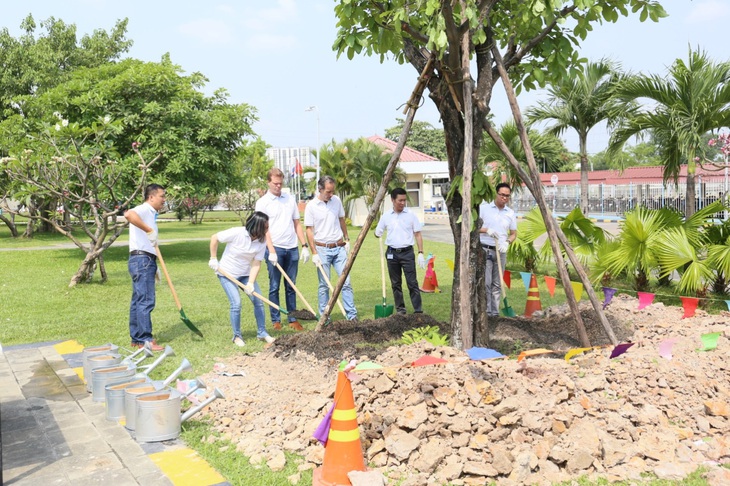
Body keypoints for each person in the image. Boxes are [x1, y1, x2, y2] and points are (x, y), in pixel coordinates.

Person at [208, 211, 275, 347]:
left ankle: (262, 332)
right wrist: (213, 258)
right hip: (227, 274)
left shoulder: (261, 241)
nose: (267, 230)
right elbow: (214, 238)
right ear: (257, 227)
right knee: (236, 304)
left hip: (244, 274)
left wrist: (250, 283)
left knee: (259, 301)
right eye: (265, 227)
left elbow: (256, 263)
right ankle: (236, 336)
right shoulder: (237, 233)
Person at [255, 168, 310, 331]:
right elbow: (264, 229)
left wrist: (304, 245)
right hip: (275, 249)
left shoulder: (289, 199)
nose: (278, 186)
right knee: (274, 286)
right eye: (275, 183)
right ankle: (276, 319)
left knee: (291, 286)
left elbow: (297, 223)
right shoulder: (263, 202)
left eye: (280, 183)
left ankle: (292, 318)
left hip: (291, 248)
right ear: (268, 182)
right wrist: (271, 250)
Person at [304, 175, 358, 321]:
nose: (331, 194)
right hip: (322, 249)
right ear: (320, 190)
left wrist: (346, 239)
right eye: (328, 191)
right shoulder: (311, 206)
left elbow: (341, 219)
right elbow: (309, 230)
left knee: (345, 282)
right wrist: (314, 252)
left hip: (339, 247)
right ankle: (324, 317)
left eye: (332, 191)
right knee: (324, 285)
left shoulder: (336, 201)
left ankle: (352, 316)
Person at [125, 184, 166, 351]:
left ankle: (136, 338)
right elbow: (129, 214)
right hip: (142, 260)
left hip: (143, 259)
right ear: (151, 197)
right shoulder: (143, 209)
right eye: (162, 196)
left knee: (138, 300)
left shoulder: (151, 213)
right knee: (146, 300)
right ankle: (145, 340)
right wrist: (149, 229)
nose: (164, 200)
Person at [375, 187, 426, 315]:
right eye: (400, 200)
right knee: (396, 283)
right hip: (392, 253)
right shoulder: (386, 216)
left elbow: (418, 234)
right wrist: (377, 232)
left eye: (404, 200)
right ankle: (401, 310)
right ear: (393, 200)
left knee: (412, 282)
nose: (403, 203)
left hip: (407, 253)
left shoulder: (410, 215)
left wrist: (420, 252)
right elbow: (378, 232)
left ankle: (418, 310)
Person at [479, 182, 517, 317]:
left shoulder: (510, 213)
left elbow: (513, 233)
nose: (504, 198)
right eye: (502, 195)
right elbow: (473, 227)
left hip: (501, 251)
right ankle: (487, 311)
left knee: (497, 283)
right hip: (486, 249)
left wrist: (507, 242)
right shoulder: (484, 209)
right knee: (487, 283)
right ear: (496, 194)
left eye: (507, 196)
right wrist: (487, 230)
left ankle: (494, 312)